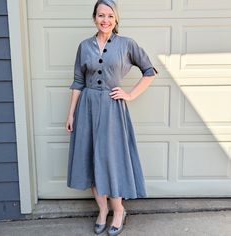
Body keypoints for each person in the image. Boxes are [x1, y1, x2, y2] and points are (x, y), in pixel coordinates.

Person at [65, 0, 157, 235]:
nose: (105, 20)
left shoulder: (126, 44)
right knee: (90, 158)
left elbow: (149, 71)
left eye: (110, 16)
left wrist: (130, 94)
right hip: (86, 107)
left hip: (112, 110)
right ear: (94, 17)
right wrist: (71, 114)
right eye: (100, 15)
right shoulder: (84, 46)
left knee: (111, 161)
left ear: (116, 19)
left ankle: (119, 211)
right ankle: (103, 210)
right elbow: (77, 81)